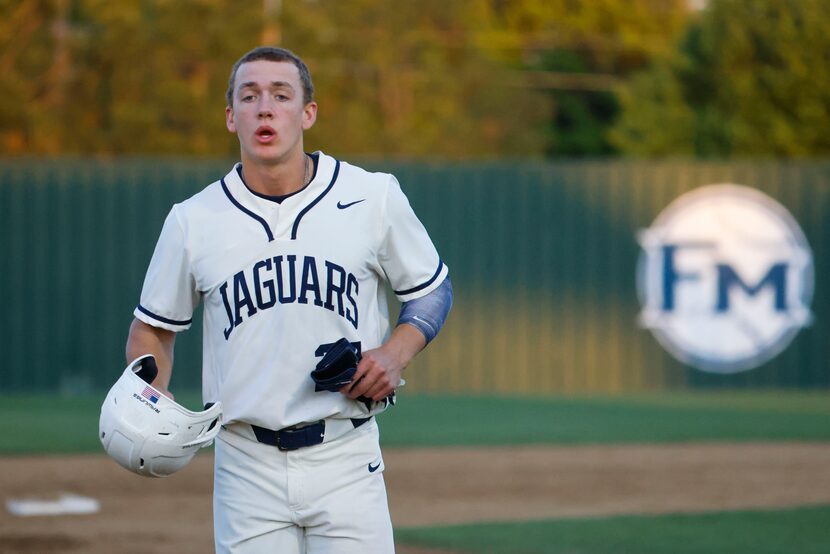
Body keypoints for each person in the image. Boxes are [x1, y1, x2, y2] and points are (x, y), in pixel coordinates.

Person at [125, 46, 452, 553]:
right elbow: (153, 328)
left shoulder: (372, 196)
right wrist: (153, 389)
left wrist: (394, 353)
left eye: (281, 95)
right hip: (244, 463)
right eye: (249, 96)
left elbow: (431, 291)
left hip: (345, 454)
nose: (266, 108)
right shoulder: (193, 220)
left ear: (307, 113)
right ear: (231, 116)